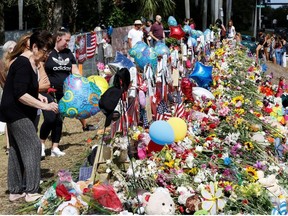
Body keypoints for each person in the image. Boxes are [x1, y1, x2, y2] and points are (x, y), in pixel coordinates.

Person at [0, 30, 58, 202]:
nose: (47, 55)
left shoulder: (33, 63)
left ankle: (16, 190)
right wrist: (44, 105)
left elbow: (26, 88)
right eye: (45, 51)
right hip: (15, 112)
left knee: (17, 150)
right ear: (34, 47)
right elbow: (20, 94)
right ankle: (31, 191)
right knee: (33, 145)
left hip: (18, 111)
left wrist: (37, 95)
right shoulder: (23, 64)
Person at [39, 27, 96, 157]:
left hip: (64, 93)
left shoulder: (68, 53)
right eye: (67, 40)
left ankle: (55, 147)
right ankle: (41, 144)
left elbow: (75, 71)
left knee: (59, 119)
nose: (68, 43)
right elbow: (39, 68)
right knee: (50, 118)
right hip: (48, 92)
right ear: (58, 38)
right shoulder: (47, 53)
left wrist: (82, 85)